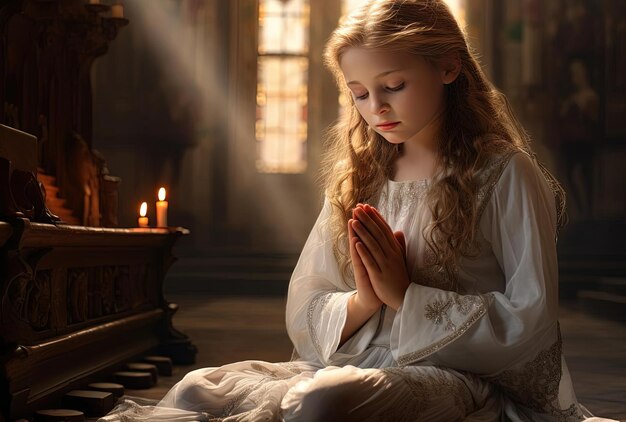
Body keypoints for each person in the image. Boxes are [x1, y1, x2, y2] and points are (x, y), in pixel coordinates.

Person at [100, 0, 617, 421]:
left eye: (394, 86)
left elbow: (531, 320)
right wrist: (364, 302)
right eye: (361, 94)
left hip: (463, 378)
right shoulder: (361, 178)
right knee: (198, 389)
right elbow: (307, 304)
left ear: (448, 66)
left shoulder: (505, 174)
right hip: (365, 358)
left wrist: (406, 297)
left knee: (322, 402)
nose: (377, 109)